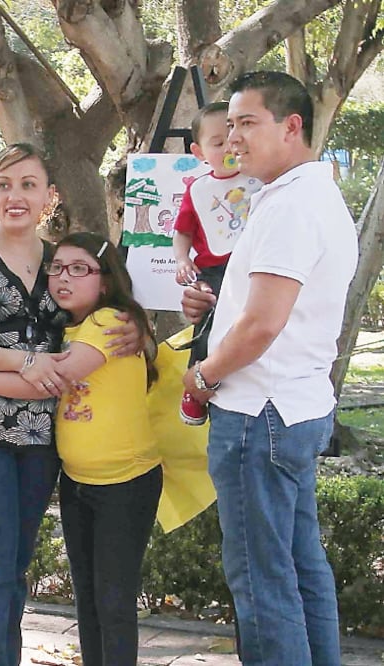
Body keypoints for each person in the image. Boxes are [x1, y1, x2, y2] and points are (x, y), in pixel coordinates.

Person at [0, 143, 143, 666]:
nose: (15, 196)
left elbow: (105, 304)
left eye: (28, 185)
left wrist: (136, 324)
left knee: (18, 562)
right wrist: (24, 362)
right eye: (4, 185)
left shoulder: (59, 262)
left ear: (49, 197)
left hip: (42, 433)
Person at [181, 71, 357, 665]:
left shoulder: (292, 206)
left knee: (262, 581)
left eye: (248, 122)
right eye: (229, 125)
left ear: (292, 125)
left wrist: (203, 376)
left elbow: (260, 326)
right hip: (292, 408)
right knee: (300, 569)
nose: (234, 138)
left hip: (261, 415)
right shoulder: (302, 195)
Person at [172, 101, 262, 426]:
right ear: (198, 152)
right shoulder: (197, 190)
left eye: (232, 137)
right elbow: (182, 231)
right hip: (214, 271)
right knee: (207, 324)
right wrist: (182, 259)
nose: (228, 146)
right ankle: (195, 388)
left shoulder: (257, 178)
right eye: (217, 142)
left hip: (254, 267)